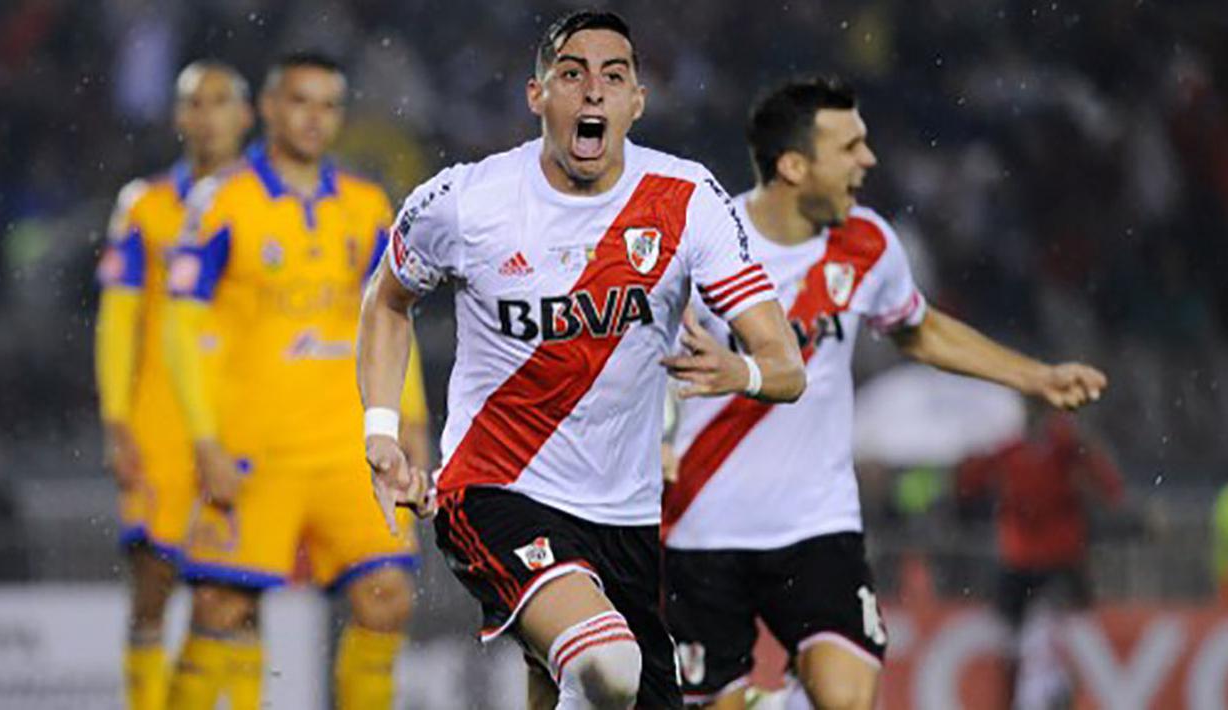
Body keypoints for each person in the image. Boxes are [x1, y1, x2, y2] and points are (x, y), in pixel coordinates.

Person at [356, 10, 805, 709]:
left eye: (613, 76)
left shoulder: (686, 201)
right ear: (536, 95)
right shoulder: (465, 202)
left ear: (637, 101)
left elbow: (787, 366)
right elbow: (386, 303)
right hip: (495, 489)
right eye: (572, 74)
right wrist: (381, 431)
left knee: (584, 683)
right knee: (606, 664)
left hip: (625, 517)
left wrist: (739, 370)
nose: (593, 90)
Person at [661, 77, 1108, 710]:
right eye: (848, 147)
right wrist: (651, 442)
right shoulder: (704, 245)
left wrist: (1034, 376)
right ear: (793, 166)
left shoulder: (867, 243)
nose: (867, 160)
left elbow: (919, 331)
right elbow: (631, 359)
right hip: (700, 525)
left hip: (817, 523)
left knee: (846, 699)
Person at [162, 52, 428, 709]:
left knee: (386, 599)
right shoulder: (222, 201)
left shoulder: (366, 205)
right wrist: (204, 440)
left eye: (328, 105)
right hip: (255, 450)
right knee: (220, 608)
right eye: (300, 102)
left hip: (346, 451)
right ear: (270, 108)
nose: (314, 119)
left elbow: (392, 318)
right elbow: (179, 326)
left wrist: (412, 420)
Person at [94, 59, 252, 710]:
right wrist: (116, 419)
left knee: (238, 593)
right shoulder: (145, 205)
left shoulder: (264, 203)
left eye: (219, 101)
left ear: (246, 115)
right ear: (178, 116)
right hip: (160, 422)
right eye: (195, 102)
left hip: (243, 416)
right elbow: (117, 320)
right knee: (152, 584)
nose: (206, 115)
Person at [956, 404, 1123, 708]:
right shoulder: (1024, 447)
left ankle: (1044, 693)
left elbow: (1106, 485)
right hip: (1035, 559)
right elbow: (970, 482)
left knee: (1045, 632)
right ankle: (1029, 695)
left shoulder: (1059, 445)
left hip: (1047, 559)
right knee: (1023, 635)